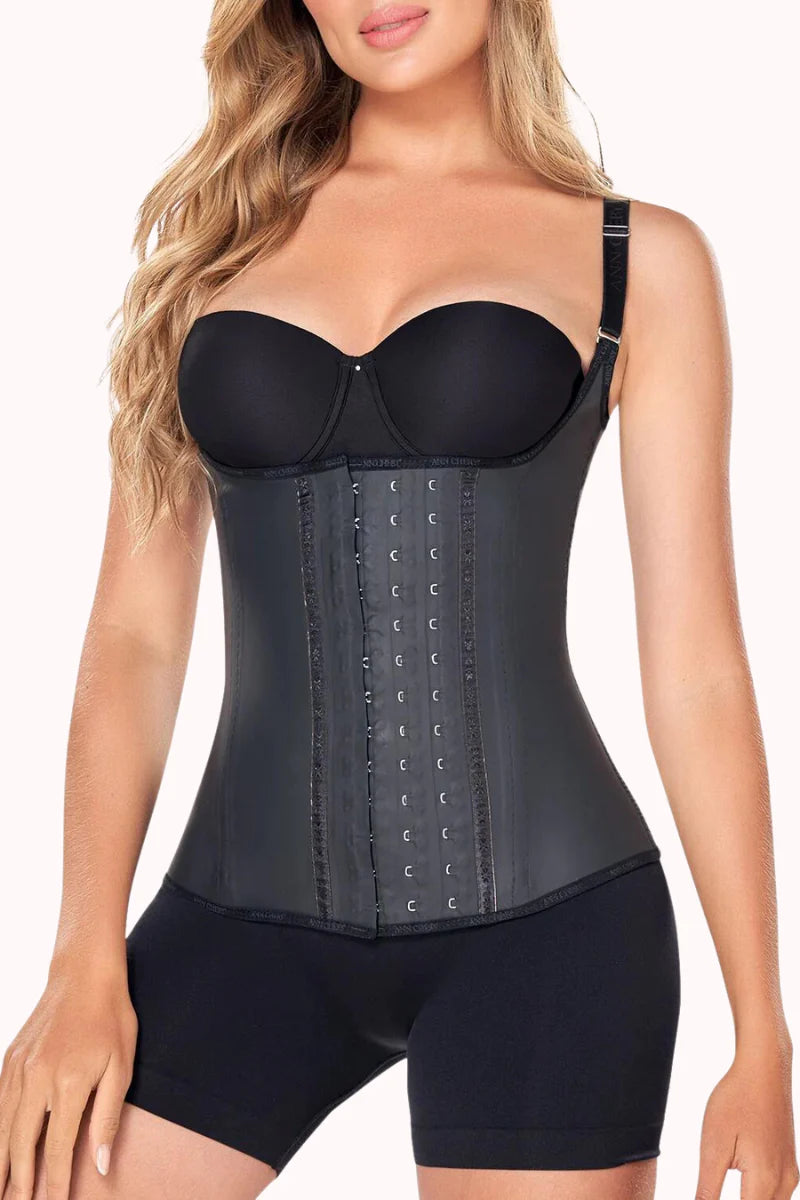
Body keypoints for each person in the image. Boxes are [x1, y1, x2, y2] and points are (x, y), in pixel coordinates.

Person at [0, 2, 797, 1198]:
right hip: (235, 920)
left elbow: (695, 667)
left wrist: (760, 1033)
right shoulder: (212, 249)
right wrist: (81, 960)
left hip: (548, 929)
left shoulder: (636, 259)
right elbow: (134, 636)